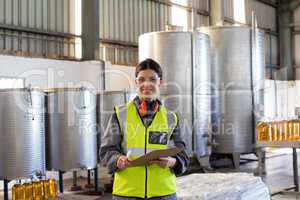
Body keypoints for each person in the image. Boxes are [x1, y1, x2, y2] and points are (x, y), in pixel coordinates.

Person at [100, 58, 189, 200]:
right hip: (127, 194)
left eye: (152, 79)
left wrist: (173, 162)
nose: (146, 84)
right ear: (136, 83)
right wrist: (117, 160)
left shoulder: (172, 118)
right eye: (141, 80)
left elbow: (183, 154)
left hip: (163, 193)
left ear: (160, 82)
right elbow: (106, 151)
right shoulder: (119, 114)